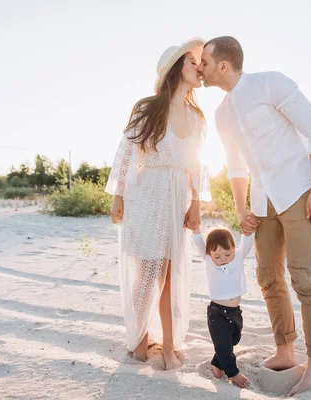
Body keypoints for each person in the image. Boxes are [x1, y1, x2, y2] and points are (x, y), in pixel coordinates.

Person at [197, 36, 311, 395]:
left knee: (304, 277)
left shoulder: (271, 83)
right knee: (268, 277)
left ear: (223, 65)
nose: (200, 69)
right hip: (262, 202)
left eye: (205, 63)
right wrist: (241, 207)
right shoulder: (222, 113)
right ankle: (285, 350)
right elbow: (235, 163)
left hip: (298, 190)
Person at [105, 38, 209, 370]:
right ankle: (138, 341)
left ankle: (166, 348)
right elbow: (126, 152)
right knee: (148, 272)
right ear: (177, 67)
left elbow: (198, 165)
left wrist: (196, 203)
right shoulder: (147, 108)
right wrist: (118, 195)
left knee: (169, 273)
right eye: (193, 61)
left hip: (178, 195)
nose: (199, 66)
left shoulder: (197, 118)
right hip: (146, 193)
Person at [192, 226, 254, 388]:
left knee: (233, 339)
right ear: (209, 254)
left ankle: (217, 363)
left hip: (235, 312)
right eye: (217, 256)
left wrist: (248, 230)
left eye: (227, 254)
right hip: (217, 313)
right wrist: (196, 230)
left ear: (234, 249)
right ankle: (233, 373)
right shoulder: (208, 261)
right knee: (224, 345)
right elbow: (199, 243)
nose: (223, 259)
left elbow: (247, 241)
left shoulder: (239, 256)